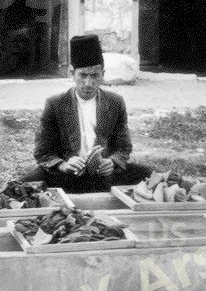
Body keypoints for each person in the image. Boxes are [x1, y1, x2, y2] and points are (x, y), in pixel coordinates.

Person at [27, 34, 153, 193]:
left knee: (152, 175)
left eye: (94, 75)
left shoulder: (115, 102)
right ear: (72, 73)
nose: (88, 83)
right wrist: (64, 165)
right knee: (23, 184)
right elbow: (43, 152)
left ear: (103, 74)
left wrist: (112, 162)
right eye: (83, 75)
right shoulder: (55, 104)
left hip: (104, 175)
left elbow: (123, 147)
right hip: (66, 175)